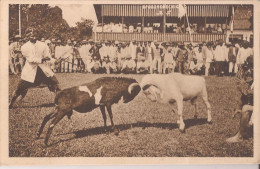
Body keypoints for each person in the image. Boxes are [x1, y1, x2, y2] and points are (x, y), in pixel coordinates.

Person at [9, 29, 61, 109]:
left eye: (34, 34)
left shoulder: (43, 45)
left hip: (43, 70)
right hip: (30, 71)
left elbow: (48, 57)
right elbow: (31, 59)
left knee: (54, 85)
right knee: (19, 89)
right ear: (27, 36)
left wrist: (54, 61)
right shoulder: (24, 47)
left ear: (37, 35)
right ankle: (10, 103)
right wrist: (43, 59)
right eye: (30, 34)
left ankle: (59, 103)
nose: (33, 36)